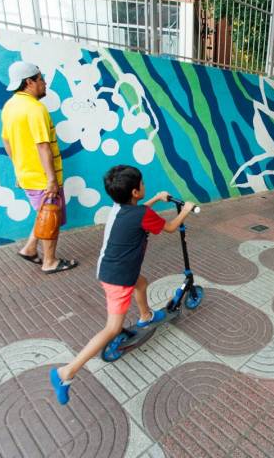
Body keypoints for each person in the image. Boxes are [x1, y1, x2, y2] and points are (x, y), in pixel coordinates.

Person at [49, 165, 195, 405]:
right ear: (136, 192)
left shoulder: (119, 208)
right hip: (118, 278)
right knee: (112, 328)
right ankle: (66, 372)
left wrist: (156, 199)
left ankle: (146, 316)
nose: (145, 187)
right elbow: (169, 227)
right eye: (143, 185)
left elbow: (138, 213)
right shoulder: (139, 214)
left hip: (111, 268)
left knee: (142, 283)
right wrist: (186, 210)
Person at [2, 61, 78, 274]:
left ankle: (29, 248)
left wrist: (19, 170)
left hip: (27, 175)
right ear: (29, 82)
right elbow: (43, 146)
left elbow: (7, 142)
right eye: (41, 79)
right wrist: (51, 180)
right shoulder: (35, 109)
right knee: (50, 219)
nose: (45, 83)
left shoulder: (10, 106)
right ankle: (50, 261)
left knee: (43, 214)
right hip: (43, 178)